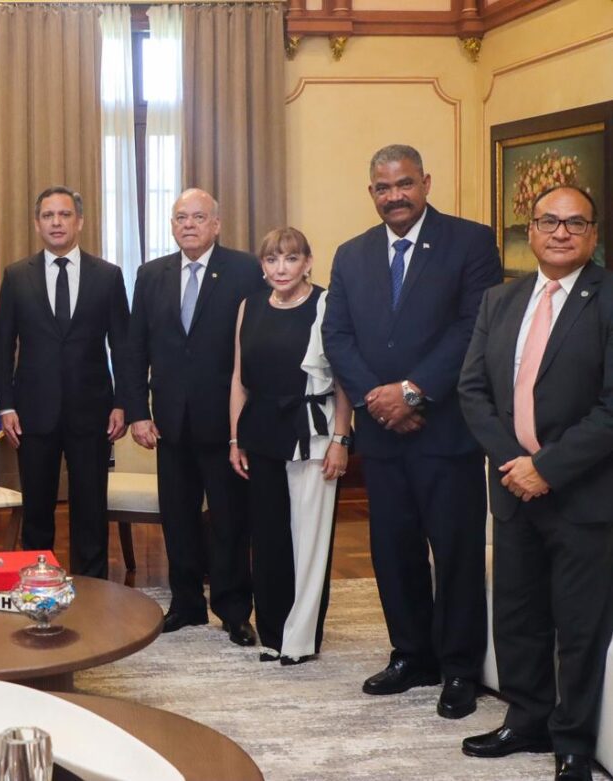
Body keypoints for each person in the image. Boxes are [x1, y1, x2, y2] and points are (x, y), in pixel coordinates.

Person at [321, 144, 502, 718]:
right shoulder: (351, 255)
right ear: (371, 192)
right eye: (383, 187)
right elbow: (337, 336)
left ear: (425, 182)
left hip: (445, 431)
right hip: (383, 436)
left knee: (455, 552)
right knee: (393, 550)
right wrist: (378, 401)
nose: (394, 196)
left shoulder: (470, 242)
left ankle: (459, 668)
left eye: (404, 184)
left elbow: (473, 328)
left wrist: (414, 391)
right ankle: (411, 654)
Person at [459, 186, 613, 781]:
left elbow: (611, 409)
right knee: (518, 615)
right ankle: (526, 720)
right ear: (531, 230)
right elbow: (473, 391)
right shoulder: (500, 300)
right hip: (512, 488)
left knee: (578, 626)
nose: (561, 232)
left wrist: (546, 467)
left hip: (583, 494)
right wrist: (515, 465)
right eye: (549, 221)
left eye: (575, 223)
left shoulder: (607, 299)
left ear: (593, 234)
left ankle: (572, 742)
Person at [123, 187, 263, 644]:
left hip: (227, 422)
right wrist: (138, 413)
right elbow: (134, 349)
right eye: (181, 217)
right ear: (172, 225)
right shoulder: (151, 275)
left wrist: (247, 420)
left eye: (198, 217)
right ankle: (186, 604)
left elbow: (257, 343)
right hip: (169, 421)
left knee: (230, 519)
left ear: (216, 225)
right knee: (178, 517)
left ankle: (234, 609)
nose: (188, 224)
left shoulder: (244, 270)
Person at [229, 227, 353, 664]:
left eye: (290, 258)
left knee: (309, 538)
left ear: (307, 263)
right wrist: (235, 438)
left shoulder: (326, 304)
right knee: (268, 539)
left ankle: (300, 640)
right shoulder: (249, 306)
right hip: (261, 430)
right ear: (262, 266)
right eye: (272, 259)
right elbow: (239, 378)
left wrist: (341, 439)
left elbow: (343, 380)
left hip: (313, 433)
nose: (281, 268)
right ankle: (272, 634)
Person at [0, 185, 130, 577]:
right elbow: (2, 347)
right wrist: (5, 405)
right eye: (48, 215)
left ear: (80, 221)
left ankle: (92, 590)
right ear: (37, 224)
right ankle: (38, 585)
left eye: (65, 214)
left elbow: (123, 347)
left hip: (92, 412)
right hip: (32, 413)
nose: (56, 222)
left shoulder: (108, 276)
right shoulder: (16, 276)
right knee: (37, 510)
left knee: (91, 509)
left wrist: (123, 402)